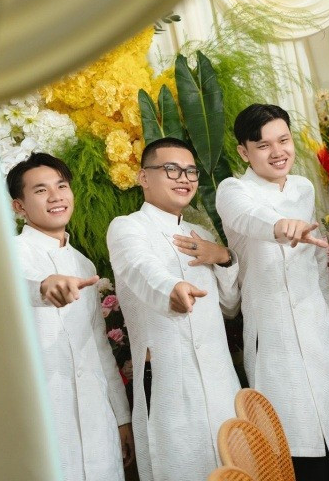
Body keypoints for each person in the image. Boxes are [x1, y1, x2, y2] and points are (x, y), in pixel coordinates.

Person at [215, 104, 329, 480]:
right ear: (244, 152)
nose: (277, 151)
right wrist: (283, 226)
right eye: (263, 145)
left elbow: (318, 267)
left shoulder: (303, 188)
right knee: (294, 444)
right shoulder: (232, 190)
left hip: (321, 331)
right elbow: (248, 217)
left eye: (283, 140)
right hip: (274, 339)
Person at [107, 137, 241, 480]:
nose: (184, 178)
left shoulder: (200, 233)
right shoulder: (127, 227)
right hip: (166, 379)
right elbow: (140, 267)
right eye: (171, 169)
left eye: (191, 171)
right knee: (179, 467)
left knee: (233, 467)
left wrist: (223, 257)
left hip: (220, 379)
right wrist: (172, 288)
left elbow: (229, 306)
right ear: (143, 177)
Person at [8, 153, 133, 480]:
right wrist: (44, 288)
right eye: (40, 190)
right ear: (19, 206)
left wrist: (121, 417)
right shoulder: (7, 254)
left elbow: (99, 347)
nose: (55, 196)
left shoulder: (83, 264)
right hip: (44, 414)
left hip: (97, 417)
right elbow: (14, 286)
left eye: (61, 186)